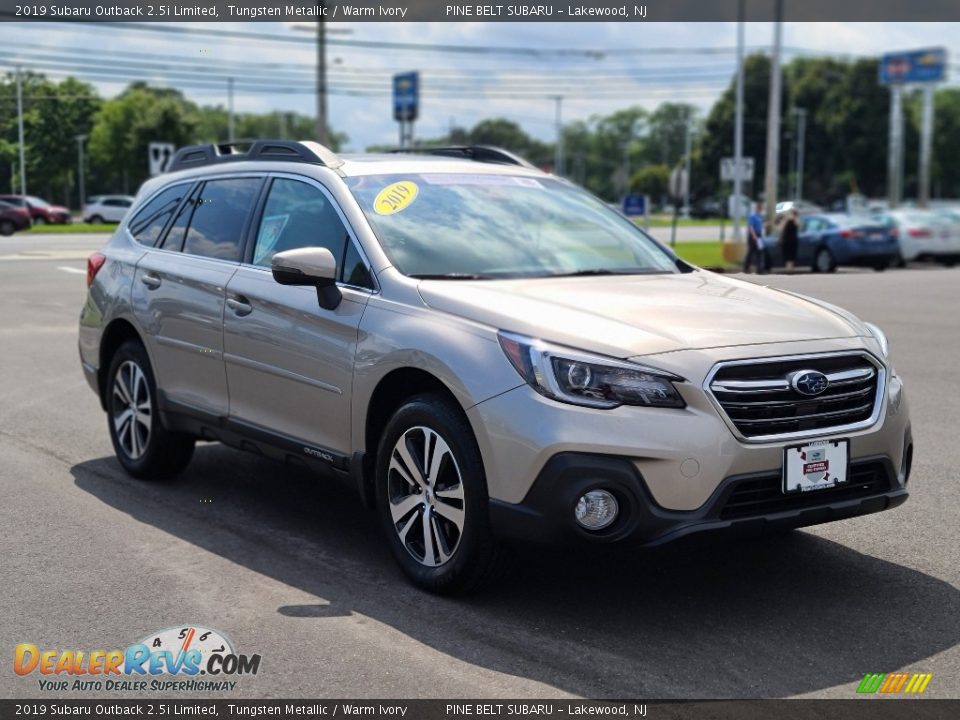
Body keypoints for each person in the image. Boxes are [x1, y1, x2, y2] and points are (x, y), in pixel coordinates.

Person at [743, 202, 766, 273]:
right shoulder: (752, 216)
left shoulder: (760, 216)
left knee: (760, 251)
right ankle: (746, 267)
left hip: (759, 235)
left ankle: (760, 269)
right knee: (751, 251)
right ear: (757, 208)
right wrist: (754, 235)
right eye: (760, 208)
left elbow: (760, 225)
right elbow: (751, 226)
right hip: (753, 235)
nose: (760, 210)